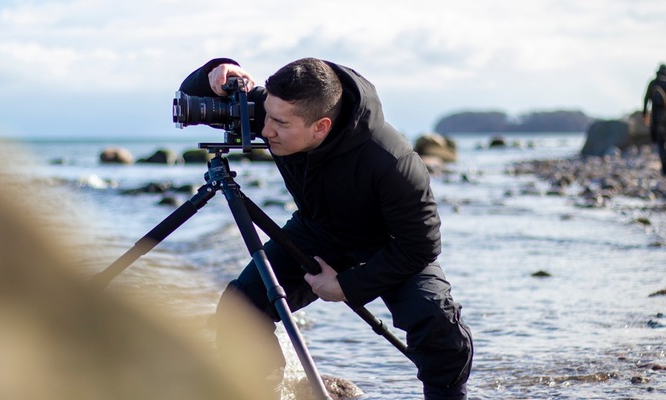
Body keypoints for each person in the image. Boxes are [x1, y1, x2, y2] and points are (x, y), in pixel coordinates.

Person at [179, 58, 473, 400]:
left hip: (388, 245)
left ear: (321, 126)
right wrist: (217, 71)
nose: (266, 129)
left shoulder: (391, 161)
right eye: (267, 115)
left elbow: (422, 246)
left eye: (279, 123)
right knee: (240, 308)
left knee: (437, 324)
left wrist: (345, 285)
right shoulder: (278, 109)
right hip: (316, 231)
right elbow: (191, 102)